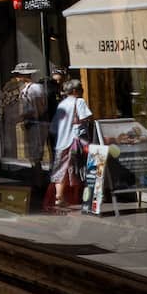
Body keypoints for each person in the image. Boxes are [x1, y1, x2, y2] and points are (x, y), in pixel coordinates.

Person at [46, 78, 92, 211]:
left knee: (61, 170)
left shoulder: (62, 104)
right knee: (79, 169)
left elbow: (54, 127)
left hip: (62, 142)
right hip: (75, 141)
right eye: (81, 89)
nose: (82, 91)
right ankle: (78, 197)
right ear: (75, 91)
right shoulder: (79, 101)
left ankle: (59, 197)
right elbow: (85, 117)